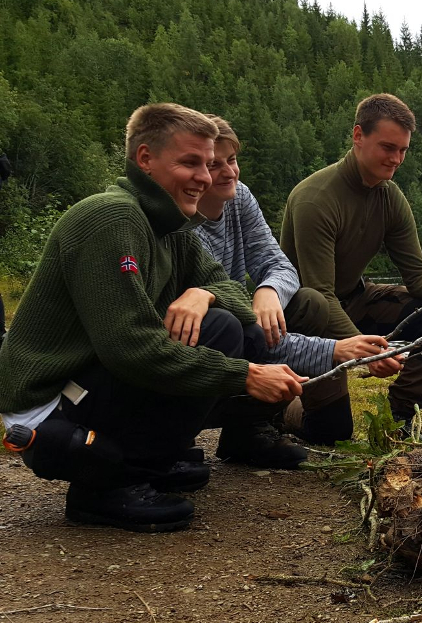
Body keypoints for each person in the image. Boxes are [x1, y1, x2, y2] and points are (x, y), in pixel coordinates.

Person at [0, 103, 306, 532]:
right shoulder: (112, 217)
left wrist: (204, 292)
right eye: (190, 162)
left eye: (209, 163)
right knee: (218, 334)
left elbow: (237, 295)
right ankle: (106, 489)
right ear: (145, 159)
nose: (204, 176)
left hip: (91, 378)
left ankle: (155, 460)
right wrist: (244, 376)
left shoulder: (170, 227)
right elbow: (130, 348)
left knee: (229, 327)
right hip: (50, 399)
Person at [280, 93, 422, 444]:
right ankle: (281, 407)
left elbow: (419, 279)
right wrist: (367, 352)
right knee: (330, 432)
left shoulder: (389, 197)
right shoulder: (315, 199)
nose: (396, 159)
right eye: (388, 147)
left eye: (403, 150)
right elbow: (320, 293)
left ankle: (400, 415)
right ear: (358, 136)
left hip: (354, 299)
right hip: (305, 319)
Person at [192, 115, 403, 462]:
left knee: (308, 303)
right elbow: (219, 305)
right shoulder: (178, 222)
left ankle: (254, 428)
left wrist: (269, 290)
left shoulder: (239, 198)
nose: (229, 173)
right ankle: (193, 433)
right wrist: (338, 349)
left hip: (241, 322)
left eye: (232, 160)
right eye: (214, 165)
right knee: (227, 325)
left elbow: (279, 264)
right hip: (210, 335)